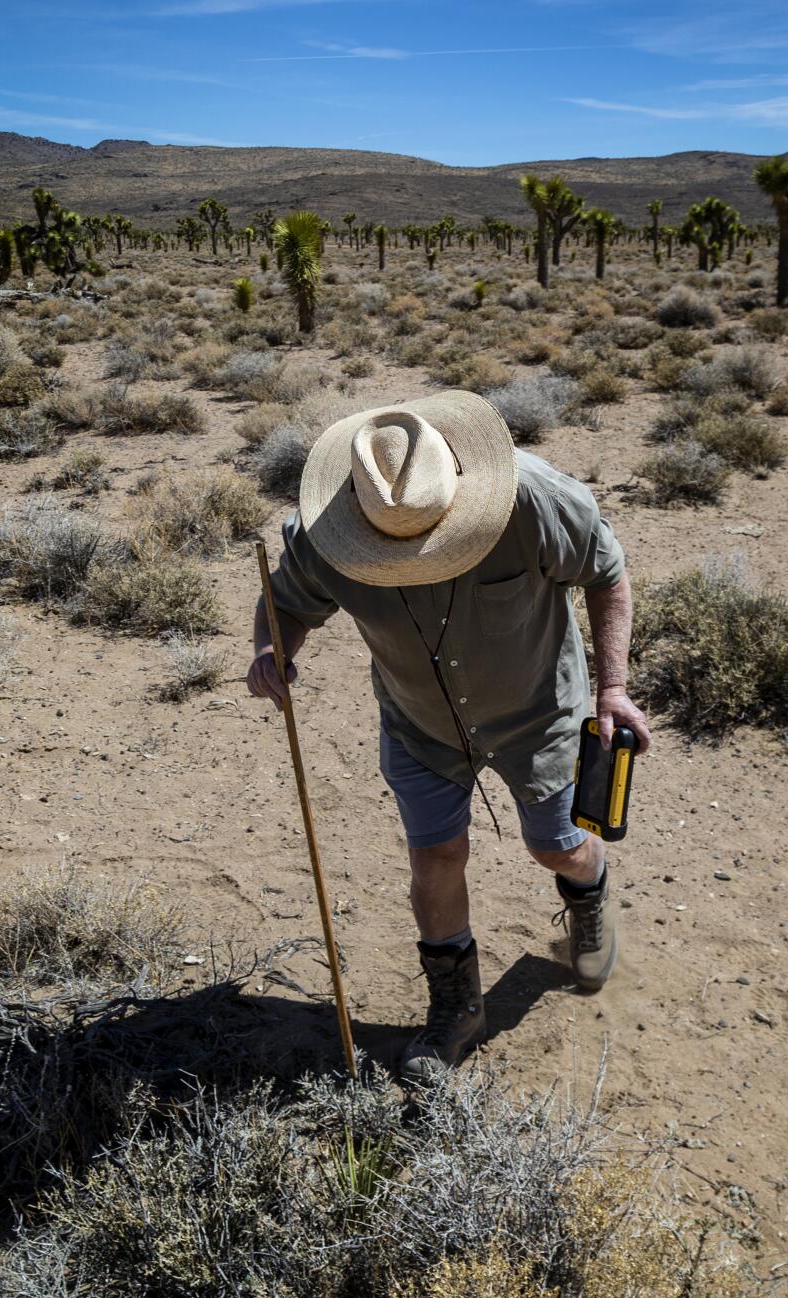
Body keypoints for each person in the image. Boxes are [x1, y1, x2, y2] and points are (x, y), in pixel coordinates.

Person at [249, 390, 651, 1083]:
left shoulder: (534, 501)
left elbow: (607, 574)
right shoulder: (328, 534)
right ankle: (457, 1008)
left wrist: (612, 688)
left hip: (538, 713)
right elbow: (284, 605)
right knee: (435, 857)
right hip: (419, 723)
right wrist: (270, 651)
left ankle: (590, 901)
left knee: (555, 846)